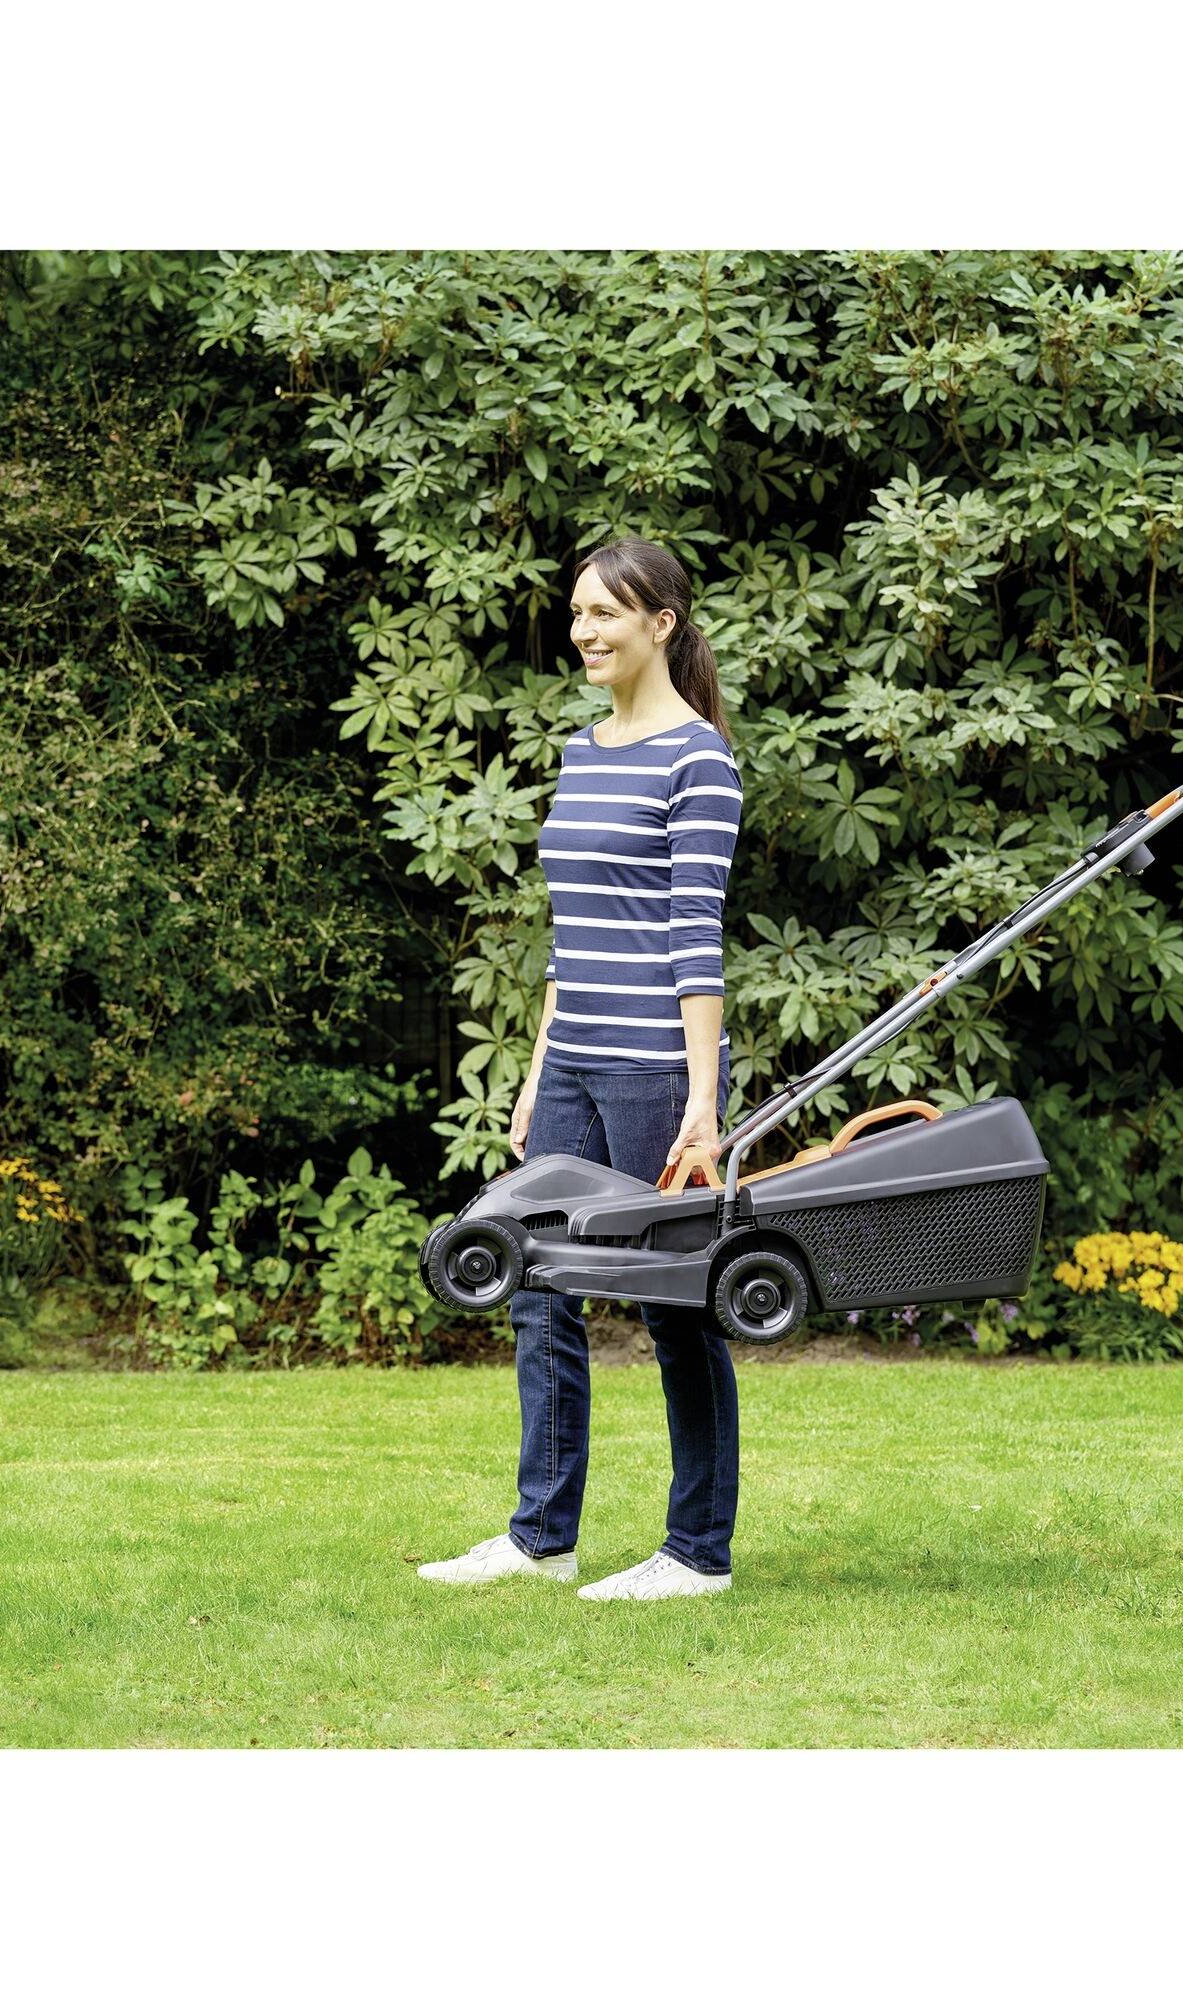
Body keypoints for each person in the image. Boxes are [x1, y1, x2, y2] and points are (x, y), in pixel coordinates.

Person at [419, 534, 744, 1602]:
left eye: (606, 612)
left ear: (661, 623)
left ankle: (696, 1552)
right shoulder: (583, 751)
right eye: (576, 613)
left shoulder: (698, 761)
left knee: (674, 1304)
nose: (584, 632)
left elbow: (694, 940)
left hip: (657, 1073)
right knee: (536, 1284)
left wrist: (702, 1102)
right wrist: (535, 1068)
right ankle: (541, 1536)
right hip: (572, 1062)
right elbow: (572, 937)